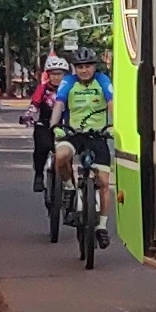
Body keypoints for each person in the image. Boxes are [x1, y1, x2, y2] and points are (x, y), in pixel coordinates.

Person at [52, 50, 113, 248]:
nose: (84, 70)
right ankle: (69, 187)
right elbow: (59, 104)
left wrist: (116, 125)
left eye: (88, 66)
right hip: (74, 133)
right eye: (80, 67)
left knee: (103, 183)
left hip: (97, 135)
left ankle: (102, 227)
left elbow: (111, 103)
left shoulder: (102, 80)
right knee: (60, 156)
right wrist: (55, 126)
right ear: (74, 69)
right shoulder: (69, 82)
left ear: (94, 67)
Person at [29, 54, 68, 192]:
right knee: (41, 148)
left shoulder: (70, 88)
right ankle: (39, 175)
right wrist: (29, 115)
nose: (57, 78)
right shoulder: (43, 88)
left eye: (60, 74)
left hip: (66, 125)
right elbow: (35, 104)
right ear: (48, 75)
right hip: (45, 125)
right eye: (53, 74)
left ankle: (69, 183)